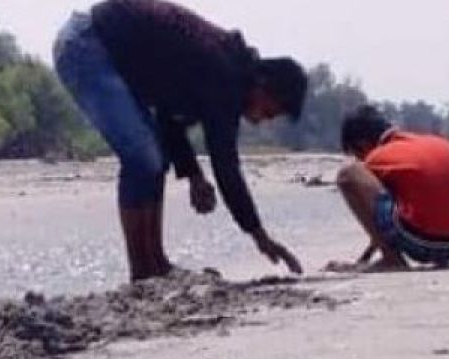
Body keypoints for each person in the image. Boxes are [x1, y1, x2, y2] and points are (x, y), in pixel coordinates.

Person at [54, 0, 308, 282]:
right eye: (270, 110)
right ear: (262, 84)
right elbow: (226, 164)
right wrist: (258, 235)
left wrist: (194, 176)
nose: (264, 120)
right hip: (87, 45)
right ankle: (142, 271)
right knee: (142, 158)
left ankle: (156, 265)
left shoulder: (228, 73)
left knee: (156, 157)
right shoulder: (223, 74)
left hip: (105, 49)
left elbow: (169, 118)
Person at [329, 105, 449, 272]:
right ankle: (393, 256)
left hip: (422, 242)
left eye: (357, 154)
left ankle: (392, 260)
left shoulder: (376, 158)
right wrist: (364, 258)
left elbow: (377, 216)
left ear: (362, 144)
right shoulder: (444, 144)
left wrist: (375, 256)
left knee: (348, 174)